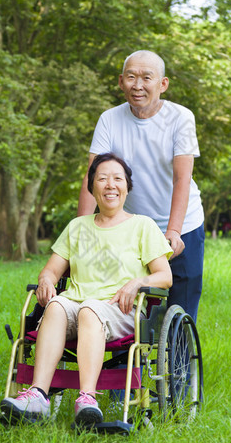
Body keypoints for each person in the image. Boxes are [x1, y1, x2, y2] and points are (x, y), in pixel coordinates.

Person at [0, 153, 173, 426]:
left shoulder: (143, 226)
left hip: (119, 310)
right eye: (102, 179)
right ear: (92, 187)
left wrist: (138, 282)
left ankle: (87, 399)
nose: (110, 185)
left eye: (117, 178)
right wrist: (46, 280)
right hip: (76, 307)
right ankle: (37, 396)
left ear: (127, 186)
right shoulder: (76, 227)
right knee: (56, 306)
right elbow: (51, 270)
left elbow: (165, 276)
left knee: (90, 308)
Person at [78, 50, 204, 324]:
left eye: (147, 77)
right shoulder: (109, 119)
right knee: (126, 303)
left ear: (163, 84)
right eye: (132, 77)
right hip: (132, 228)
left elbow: (181, 178)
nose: (138, 85)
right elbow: (93, 177)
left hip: (184, 225)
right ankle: (131, 364)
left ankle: (179, 365)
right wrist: (81, 229)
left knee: (180, 308)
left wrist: (173, 230)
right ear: (121, 81)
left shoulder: (180, 117)